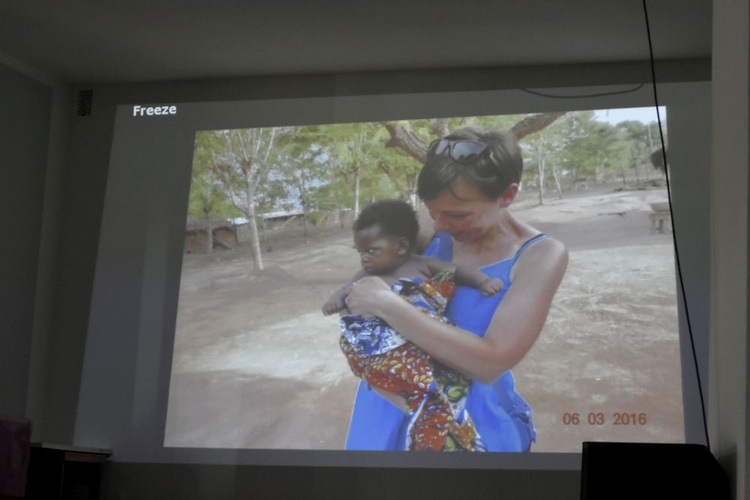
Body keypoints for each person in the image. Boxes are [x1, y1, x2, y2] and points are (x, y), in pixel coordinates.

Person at [342, 127, 568, 452]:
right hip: (391, 401)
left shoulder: (540, 255)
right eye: (432, 212)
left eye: (456, 215)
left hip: (469, 414)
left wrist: (388, 305)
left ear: (507, 195)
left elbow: (489, 363)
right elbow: (368, 274)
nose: (438, 225)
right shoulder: (432, 227)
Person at [322, 199, 503, 451]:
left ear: (402, 246)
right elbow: (345, 292)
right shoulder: (366, 276)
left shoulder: (422, 265)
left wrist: (482, 281)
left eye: (371, 251)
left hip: (423, 342)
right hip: (387, 351)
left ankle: (431, 417)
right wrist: (334, 300)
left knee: (439, 388)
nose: (364, 259)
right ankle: (415, 402)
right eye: (360, 252)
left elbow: (458, 271)